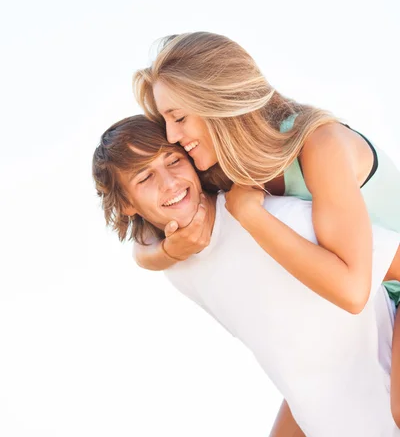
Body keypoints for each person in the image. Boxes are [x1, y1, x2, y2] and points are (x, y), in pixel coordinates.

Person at [132, 31, 400, 433]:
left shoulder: (319, 144)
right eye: (166, 121)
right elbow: (140, 236)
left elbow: (351, 290)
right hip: (368, 317)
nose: (172, 137)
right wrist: (167, 252)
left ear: (218, 100)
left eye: (179, 118)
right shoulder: (223, 168)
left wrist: (252, 216)